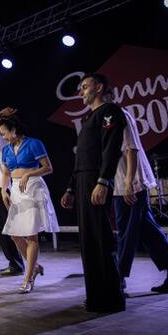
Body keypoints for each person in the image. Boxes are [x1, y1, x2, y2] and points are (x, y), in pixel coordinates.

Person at [60, 73, 126, 313]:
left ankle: (112, 298)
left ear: (99, 88)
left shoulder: (110, 111)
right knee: (89, 241)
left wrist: (103, 180)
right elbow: (81, 157)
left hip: (96, 180)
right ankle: (97, 296)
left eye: (85, 86)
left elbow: (111, 148)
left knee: (100, 238)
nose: (81, 91)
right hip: (83, 181)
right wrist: (70, 187)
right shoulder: (89, 118)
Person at [112, 107, 168, 293]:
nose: (81, 93)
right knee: (148, 231)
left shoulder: (118, 115)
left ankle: (118, 278)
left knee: (126, 231)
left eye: (85, 90)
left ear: (103, 93)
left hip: (130, 185)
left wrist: (129, 182)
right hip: (119, 184)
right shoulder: (102, 117)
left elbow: (131, 148)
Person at [0, 115, 60, 293]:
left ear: (14, 129)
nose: (3, 137)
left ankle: (28, 278)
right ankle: (35, 266)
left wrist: (28, 174)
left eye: (5, 133)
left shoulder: (34, 143)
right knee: (15, 234)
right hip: (16, 191)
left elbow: (48, 168)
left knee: (32, 235)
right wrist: (4, 190)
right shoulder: (6, 149)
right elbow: (6, 173)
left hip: (33, 188)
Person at [0, 108, 24, 276]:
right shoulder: (2, 143)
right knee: (1, 229)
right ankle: (16, 262)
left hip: (0, 189)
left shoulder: (3, 142)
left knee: (4, 229)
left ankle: (16, 264)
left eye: (2, 131)